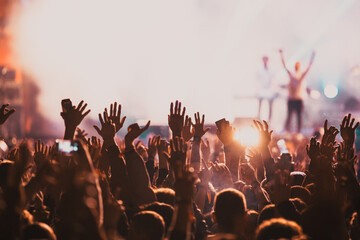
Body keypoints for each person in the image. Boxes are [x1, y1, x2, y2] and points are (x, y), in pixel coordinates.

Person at [279, 49, 315, 133]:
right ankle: (287, 130)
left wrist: (313, 56)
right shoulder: (291, 75)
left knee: (299, 117)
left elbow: (309, 66)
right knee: (289, 116)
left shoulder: (301, 75)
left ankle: (299, 131)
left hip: (298, 99)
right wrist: (281, 55)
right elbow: (284, 66)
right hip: (291, 99)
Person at [257, 56, 277, 122]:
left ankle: (269, 120)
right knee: (260, 105)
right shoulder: (259, 69)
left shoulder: (271, 69)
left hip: (269, 90)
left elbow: (274, 80)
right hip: (261, 90)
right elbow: (256, 80)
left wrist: (273, 89)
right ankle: (259, 119)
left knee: (270, 105)